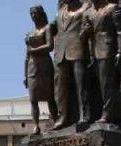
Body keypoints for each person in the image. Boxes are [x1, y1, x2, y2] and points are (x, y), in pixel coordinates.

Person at [53, 0, 94, 130]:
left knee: (81, 84)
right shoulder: (60, 11)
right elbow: (53, 28)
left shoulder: (85, 7)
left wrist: (83, 34)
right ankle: (62, 117)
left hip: (77, 48)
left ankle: (84, 115)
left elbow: (90, 24)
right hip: (60, 52)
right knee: (60, 87)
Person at [25, 5, 60, 135]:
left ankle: (56, 121)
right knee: (33, 99)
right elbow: (27, 56)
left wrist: (34, 50)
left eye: (35, 13)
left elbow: (50, 46)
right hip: (32, 67)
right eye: (31, 14)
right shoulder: (30, 34)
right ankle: (36, 126)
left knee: (50, 96)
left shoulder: (47, 28)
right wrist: (25, 75)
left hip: (45, 65)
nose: (33, 16)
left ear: (41, 14)